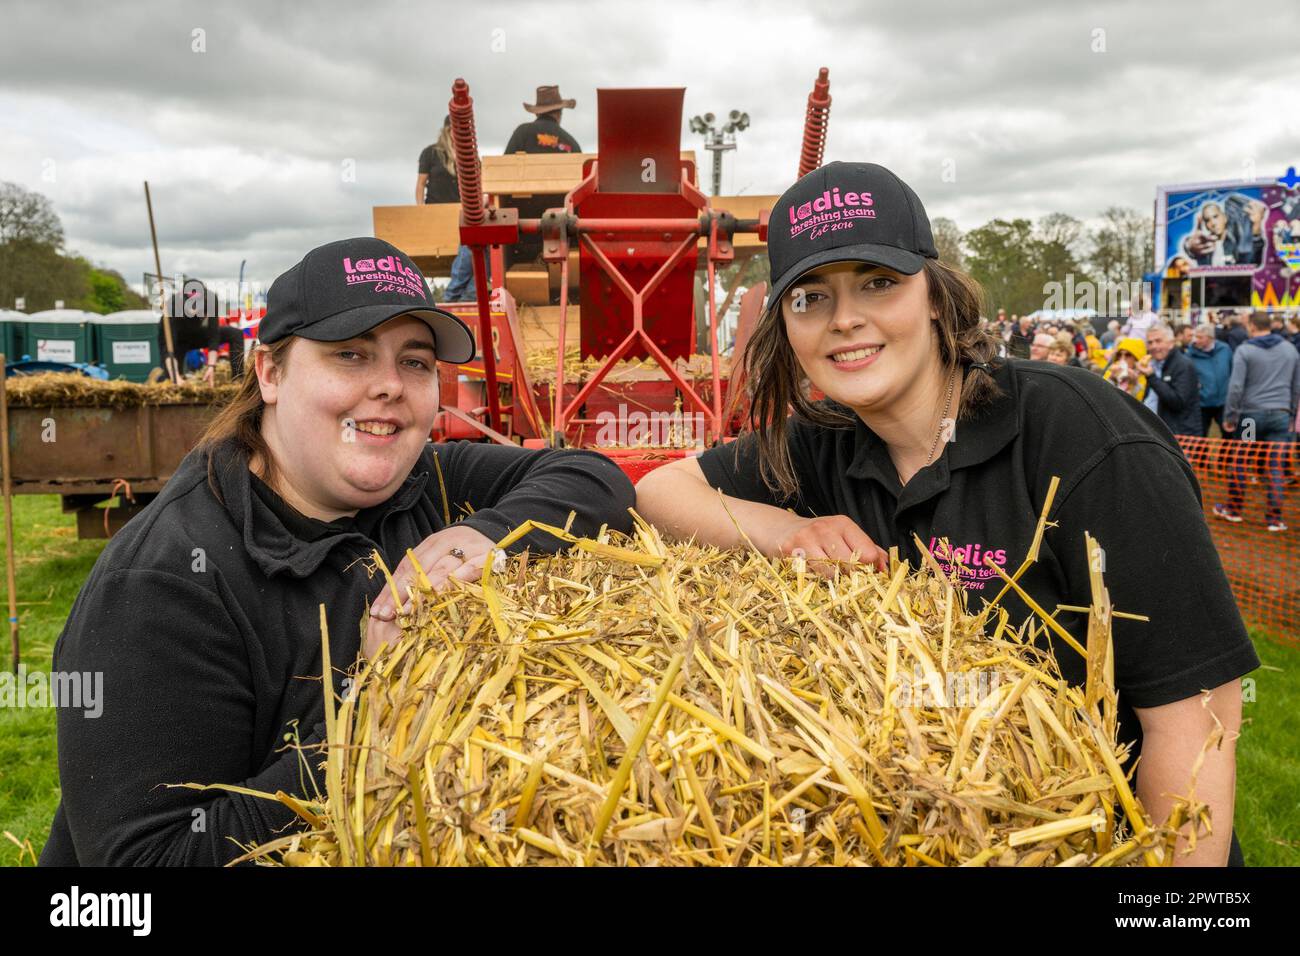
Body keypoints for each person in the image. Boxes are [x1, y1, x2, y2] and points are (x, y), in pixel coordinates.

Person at [635, 161, 1257, 866]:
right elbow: (661, 490)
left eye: (878, 282)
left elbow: (1195, 723)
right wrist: (786, 532)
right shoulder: (823, 442)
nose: (845, 319)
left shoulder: (1084, 437)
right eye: (810, 297)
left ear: (935, 295)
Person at [39, 237, 636, 866]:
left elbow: (596, 481)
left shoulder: (421, 482)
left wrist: (487, 534)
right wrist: (380, 703)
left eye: (415, 362)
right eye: (349, 355)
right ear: (270, 373)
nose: (389, 388)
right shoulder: (167, 583)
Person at [1216, 311, 1300, 532]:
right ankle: (1275, 518)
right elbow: (1296, 385)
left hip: (1250, 417)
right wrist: (1290, 414)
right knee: (1276, 466)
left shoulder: (1245, 350)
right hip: (1280, 416)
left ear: (1252, 326)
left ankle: (1234, 509)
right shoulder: (1289, 349)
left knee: (1242, 460)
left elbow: (1235, 387)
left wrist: (1230, 416)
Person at [503, 85, 583, 271]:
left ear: (537, 112)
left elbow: (504, 173)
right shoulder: (571, 143)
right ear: (559, 113)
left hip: (522, 221)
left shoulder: (522, 133)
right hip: (562, 224)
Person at [417, 115, 477, 302]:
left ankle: (466, 296)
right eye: (454, 130)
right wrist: (420, 211)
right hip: (436, 212)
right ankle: (453, 297)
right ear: (447, 130)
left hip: (463, 213)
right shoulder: (431, 153)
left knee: (475, 249)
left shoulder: (470, 156)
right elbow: (421, 184)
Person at [159, 279, 246, 384]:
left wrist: (211, 366)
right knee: (172, 380)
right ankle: (164, 377)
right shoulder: (172, 306)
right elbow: (168, 350)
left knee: (235, 334)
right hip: (177, 340)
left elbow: (214, 335)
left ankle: (238, 379)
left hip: (196, 334)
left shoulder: (210, 299)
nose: (195, 311)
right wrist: (176, 378)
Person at [1140, 323, 1202, 436]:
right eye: (1150, 342)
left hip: (1180, 434)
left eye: (1158, 341)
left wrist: (1151, 377)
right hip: (1156, 430)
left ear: (1171, 343)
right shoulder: (1153, 364)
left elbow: (1178, 402)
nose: (1154, 346)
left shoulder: (1183, 365)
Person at [1188, 322, 1233, 436]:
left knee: (1228, 434)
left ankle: (1225, 454)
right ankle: (1203, 455)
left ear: (1210, 338)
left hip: (1223, 402)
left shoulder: (1225, 349)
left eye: (1200, 337)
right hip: (1202, 403)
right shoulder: (1190, 355)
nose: (1195, 340)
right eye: (1195, 336)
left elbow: (1233, 370)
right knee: (1201, 435)